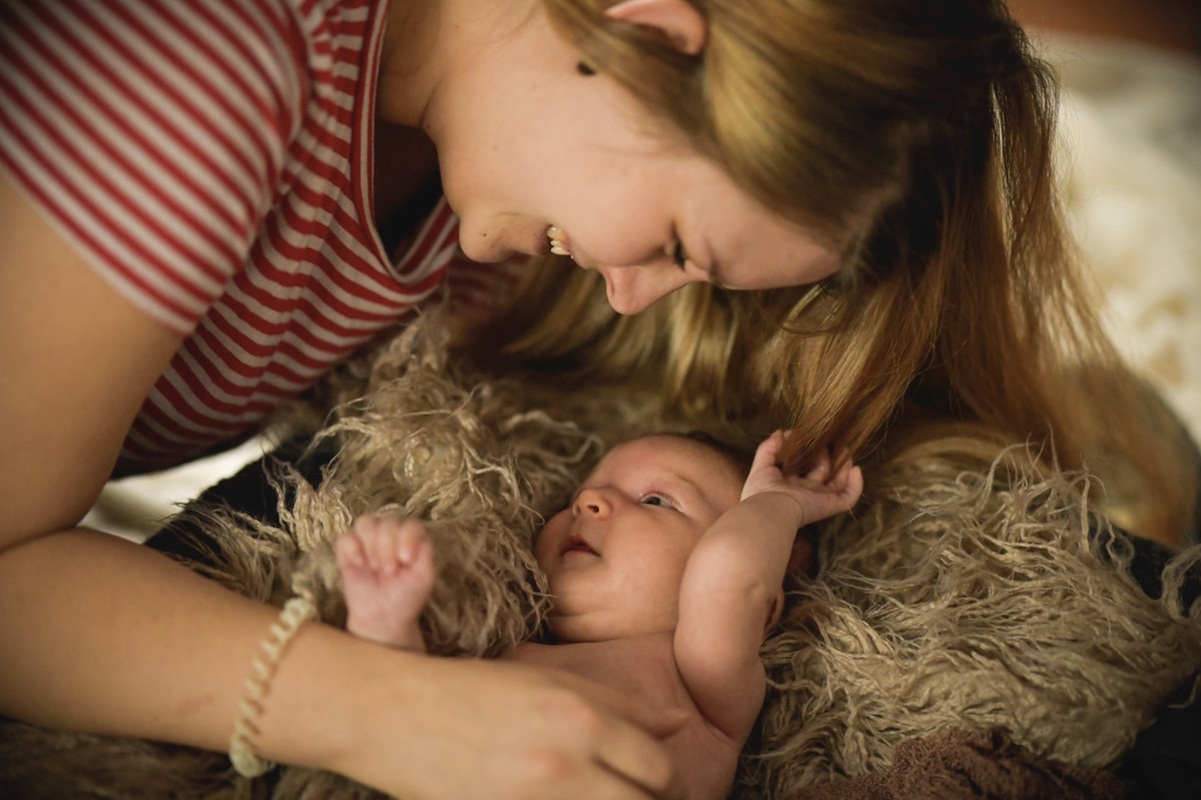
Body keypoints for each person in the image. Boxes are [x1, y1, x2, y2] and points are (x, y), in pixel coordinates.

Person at [0, 0, 1192, 797]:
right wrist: (382, 706)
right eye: (676, 239)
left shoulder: (488, 219)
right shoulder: (205, 63)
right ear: (647, 31)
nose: (629, 297)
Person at [336, 432, 863, 800]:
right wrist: (390, 627)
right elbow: (408, 728)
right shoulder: (504, 650)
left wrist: (777, 505)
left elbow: (726, 573)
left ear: (764, 609)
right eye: (581, 491)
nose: (589, 500)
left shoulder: (702, 685)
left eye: (656, 500)